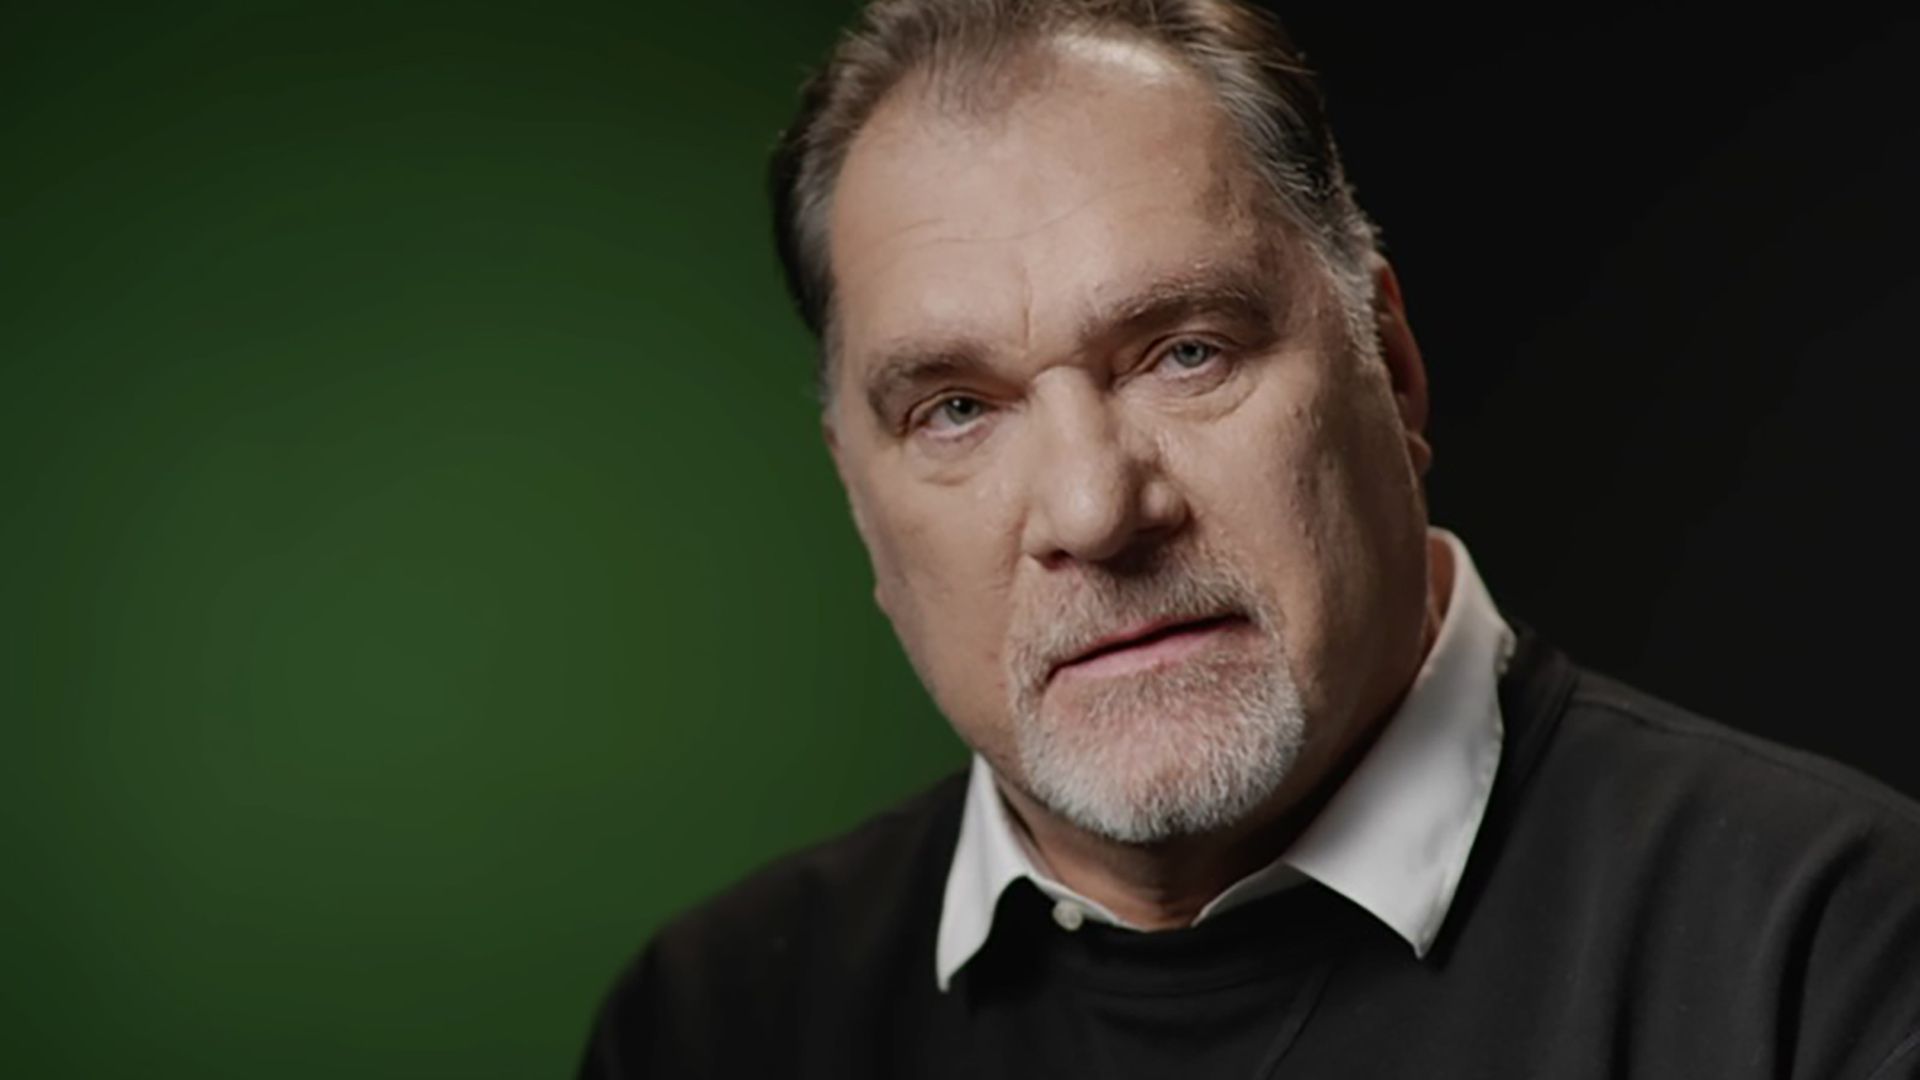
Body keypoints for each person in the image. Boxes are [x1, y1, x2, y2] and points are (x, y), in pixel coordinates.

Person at [578, 1, 1920, 1075]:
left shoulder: (1833, 956)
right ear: (860, 504)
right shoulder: (710, 1027)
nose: (1096, 512)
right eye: (957, 410)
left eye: (1187, 351)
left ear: (1392, 369)